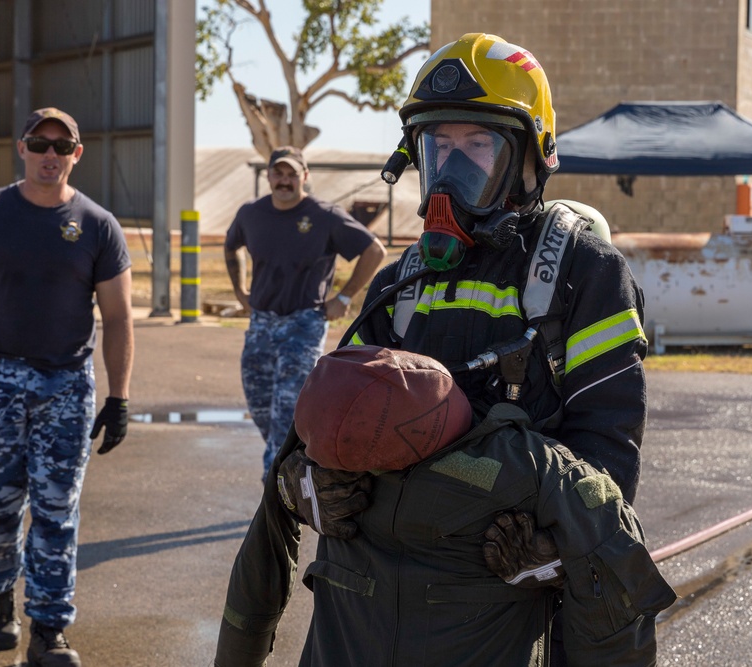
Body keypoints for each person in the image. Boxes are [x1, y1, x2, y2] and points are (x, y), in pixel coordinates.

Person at [222, 32, 653, 665]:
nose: (454, 170)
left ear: (533, 157)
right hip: (354, 615)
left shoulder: (581, 273)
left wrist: (548, 554)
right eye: (438, 146)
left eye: (479, 145)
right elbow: (331, 424)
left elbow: (609, 456)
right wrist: (304, 485)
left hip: (485, 617)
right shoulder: (402, 280)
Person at [215, 346, 675, 665]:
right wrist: (293, 479)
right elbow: (617, 603)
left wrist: (559, 569)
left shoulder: (530, 471)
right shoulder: (533, 468)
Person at [0, 107, 133, 667]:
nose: (50, 155)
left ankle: (49, 628)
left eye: (62, 147)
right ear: (22, 147)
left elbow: (119, 316)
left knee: (57, 510)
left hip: (67, 384)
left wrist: (119, 397)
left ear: (77, 154)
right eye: (40, 143)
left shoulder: (98, 224)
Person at [224, 146, 386, 481]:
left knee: (286, 413)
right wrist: (241, 293)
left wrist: (343, 296)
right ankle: (290, 469)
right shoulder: (250, 213)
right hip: (262, 324)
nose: (284, 181)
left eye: (291, 174)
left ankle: (277, 490)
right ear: (268, 175)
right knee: (260, 406)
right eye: (278, 174)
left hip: (303, 324)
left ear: (304, 177)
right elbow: (231, 246)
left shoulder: (324, 215)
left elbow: (374, 250)